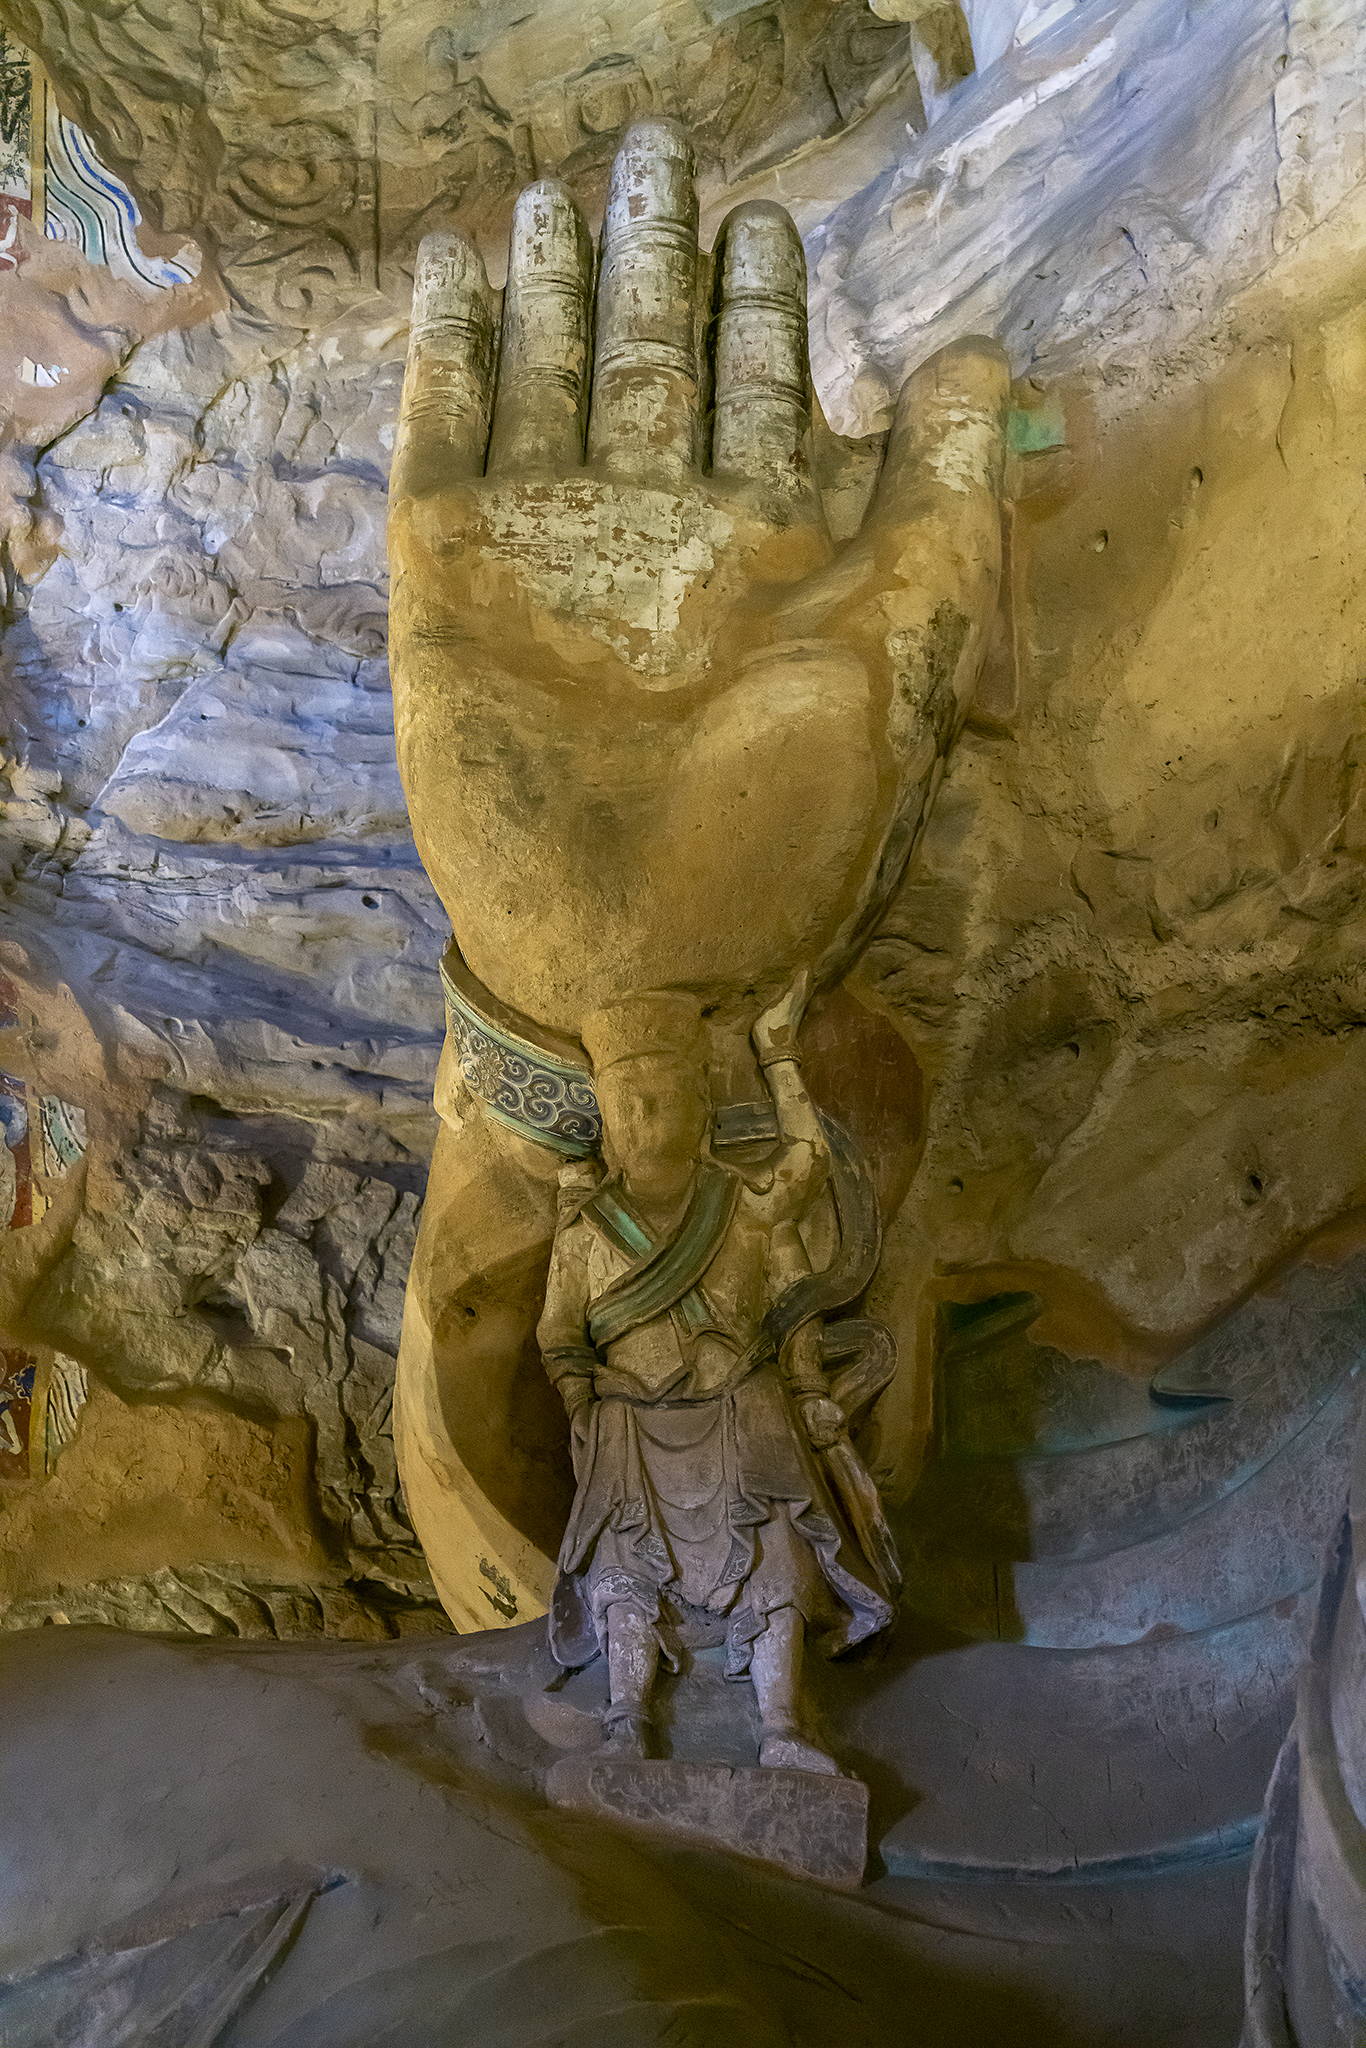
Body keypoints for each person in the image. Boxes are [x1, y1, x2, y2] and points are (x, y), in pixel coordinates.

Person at [537, 973, 895, 1773]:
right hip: (629, 1418)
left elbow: (794, 1294)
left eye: (663, 1097)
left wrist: (807, 1392)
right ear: (606, 1122)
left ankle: (781, 1728)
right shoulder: (586, 1231)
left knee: (778, 1543)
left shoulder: (741, 1204)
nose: (645, 1117)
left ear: (700, 1106)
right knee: (621, 1563)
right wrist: (579, 1399)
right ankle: (625, 1716)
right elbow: (559, 1329)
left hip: (740, 1408)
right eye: (626, 1104)